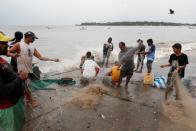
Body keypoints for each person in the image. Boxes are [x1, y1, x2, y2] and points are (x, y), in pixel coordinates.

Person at [8, 31, 59, 108]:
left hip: (28, 70)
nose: (34, 39)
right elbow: (8, 52)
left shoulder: (32, 48)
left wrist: (52, 59)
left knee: (25, 85)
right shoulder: (19, 45)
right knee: (26, 85)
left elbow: (40, 57)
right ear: (27, 37)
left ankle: (27, 99)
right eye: (33, 38)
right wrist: (13, 55)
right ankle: (31, 101)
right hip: (21, 70)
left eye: (34, 38)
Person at [0, 31, 28, 131]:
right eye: (3, 43)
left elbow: (6, 78)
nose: (7, 45)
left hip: (14, 103)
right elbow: (1, 92)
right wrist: (20, 79)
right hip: (7, 108)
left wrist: (16, 75)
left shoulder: (1, 60)